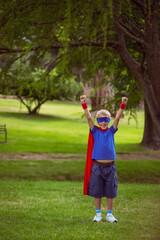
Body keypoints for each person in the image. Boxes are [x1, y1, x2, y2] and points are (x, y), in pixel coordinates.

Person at [80, 95, 128, 223]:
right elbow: (89, 117)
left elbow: (117, 117)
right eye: (100, 120)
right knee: (97, 191)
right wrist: (84, 104)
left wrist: (122, 105)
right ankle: (98, 214)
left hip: (110, 167)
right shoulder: (94, 131)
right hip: (97, 167)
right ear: (97, 121)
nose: (103, 122)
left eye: (106, 120)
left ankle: (110, 215)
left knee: (110, 190)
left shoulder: (111, 131)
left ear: (108, 120)